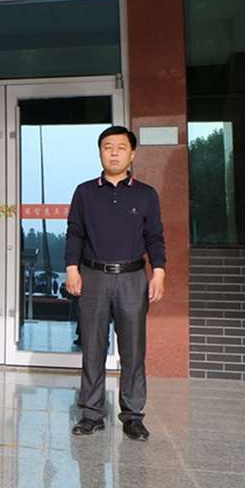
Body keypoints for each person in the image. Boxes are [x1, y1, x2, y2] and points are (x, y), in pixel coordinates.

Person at [65, 125, 165, 441]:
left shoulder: (146, 194)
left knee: (133, 350)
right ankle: (91, 414)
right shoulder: (84, 192)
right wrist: (72, 269)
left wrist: (159, 272)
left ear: (132, 154)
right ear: (100, 152)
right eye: (108, 147)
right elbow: (75, 233)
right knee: (92, 348)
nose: (114, 153)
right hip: (93, 276)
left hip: (132, 278)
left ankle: (133, 417)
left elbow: (155, 236)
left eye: (121, 147)